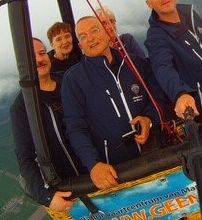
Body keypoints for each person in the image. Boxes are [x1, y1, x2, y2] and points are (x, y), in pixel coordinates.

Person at [61, 16, 162, 190]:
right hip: (116, 171)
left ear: (108, 33)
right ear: (80, 46)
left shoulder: (135, 63)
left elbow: (157, 97)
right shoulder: (73, 79)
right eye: (83, 37)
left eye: (94, 30)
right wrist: (93, 164)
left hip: (156, 155)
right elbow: (75, 128)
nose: (90, 38)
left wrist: (149, 119)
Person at [10, 38, 86, 212]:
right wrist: (46, 196)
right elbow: (25, 156)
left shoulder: (67, 80)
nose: (39, 59)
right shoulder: (23, 107)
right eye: (32, 57)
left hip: (101, 168)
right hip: (73, 183)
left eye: (42, 53)